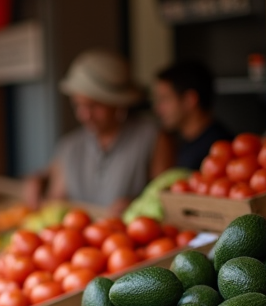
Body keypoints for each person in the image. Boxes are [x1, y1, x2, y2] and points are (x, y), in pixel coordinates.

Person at [29, 49, 174, 213]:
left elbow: (164, 198)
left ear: (118, 103)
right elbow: (55, 200)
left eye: (94, 106)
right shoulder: (70, 146)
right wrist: (39, 182)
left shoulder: (152, 138)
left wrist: (135, 204)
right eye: (78, 105)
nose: (84, 115)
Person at [152, 60, 233, 170]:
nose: (158, 109)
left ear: (190, 100)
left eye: (165, 99)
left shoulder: (218, 149)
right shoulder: (184, 143)